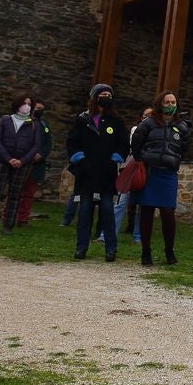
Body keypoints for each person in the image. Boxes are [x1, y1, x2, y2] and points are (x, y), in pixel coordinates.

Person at [66, 84, 127, 261]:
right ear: (95, 97)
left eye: (109, 94)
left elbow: (123, 143)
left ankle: (110, 249)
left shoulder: (116, 120)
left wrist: (116, 157)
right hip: (86, 173)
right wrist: (79, 158)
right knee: (85, 211)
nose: (106, 97)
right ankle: (81, 247)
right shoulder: (83, 119)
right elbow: (72, 142)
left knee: (107, 211)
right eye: (103, 94)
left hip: (106, 174)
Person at [128, 91, 190, 266]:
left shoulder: (182, 126)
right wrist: (144, 159)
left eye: (173, 101)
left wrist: (174, 160)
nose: (170, 104)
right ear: (160, 104)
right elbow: (136, 144)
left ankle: (169, 251)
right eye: (167, 101)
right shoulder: (148, 124)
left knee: (168, 212)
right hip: (150, 171)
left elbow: (184, 147)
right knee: (146, 211)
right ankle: (145, 252)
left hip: (168, 173)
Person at [0, 94, 42, 236]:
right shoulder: (5, 120)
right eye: (24, 103)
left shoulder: (34, 124)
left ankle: (8, 226)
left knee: (15, 195)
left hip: (23, 164)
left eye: (29, 104)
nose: (27, 106)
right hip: (2, 161)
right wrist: (8, 158)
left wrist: (22, 160)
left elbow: (36, 146)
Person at [114, 106, 154, 241]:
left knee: (142, 204)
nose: (148, 117)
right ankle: (108, 234)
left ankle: (138, 236)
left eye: (151, 115)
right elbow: (137, 145)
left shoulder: (158, 131)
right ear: (141, 117)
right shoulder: (135, 130)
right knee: (122, 200)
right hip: (133, 165)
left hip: (148, 167)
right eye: (145, 115)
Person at [16, 99, 52, 226]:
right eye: (37, 108)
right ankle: (9, 216)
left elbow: (48, 143)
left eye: (42, 108)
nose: (39, 110)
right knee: (15, 191)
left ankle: (23, 218)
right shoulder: (23, 121)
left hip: (37, 164)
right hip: (22, 162)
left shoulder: (44, 125)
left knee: (29, 193)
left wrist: (41, 154)